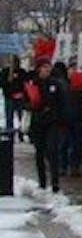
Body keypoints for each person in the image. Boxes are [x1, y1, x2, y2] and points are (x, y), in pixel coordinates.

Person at [26, 57, 67, 191]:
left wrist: (60, 118)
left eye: (48, 66)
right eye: (44, 67)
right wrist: (32, 105)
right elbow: (27, 102)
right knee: (39, 152)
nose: (47, 69)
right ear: (39, 69)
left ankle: (55, 182)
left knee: (52, 150)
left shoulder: (56, 83)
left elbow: (62, 102)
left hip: (52, 121)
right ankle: (42, 181)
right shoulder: (33, 83)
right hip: (38, 121)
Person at [1, 57, 27, 140]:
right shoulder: (5, 71)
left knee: (20, 117)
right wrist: (8, 79)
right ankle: (10, 134)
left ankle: (20, 134)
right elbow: (2, 83)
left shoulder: (22, 72)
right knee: (9, 117)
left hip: (19, 97)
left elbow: (24, 84)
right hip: (9, 97)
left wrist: (21, 93)